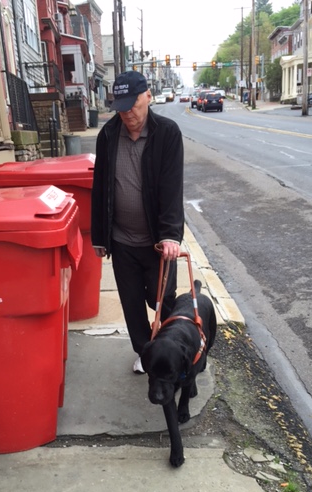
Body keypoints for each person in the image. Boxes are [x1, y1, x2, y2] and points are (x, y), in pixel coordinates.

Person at [91, 70, 185, 373]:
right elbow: (101, 185)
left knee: (162, 299)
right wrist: (99, 236)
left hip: (158, 242)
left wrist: (171, 235)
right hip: (122, 240)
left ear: (148, 96)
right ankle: (146, 353)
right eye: (121, 106)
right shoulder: (108, 135)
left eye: (133, 104)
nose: (127, 112)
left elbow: (172, 188)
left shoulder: (167, 133)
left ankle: (174, 349)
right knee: (131, 305)